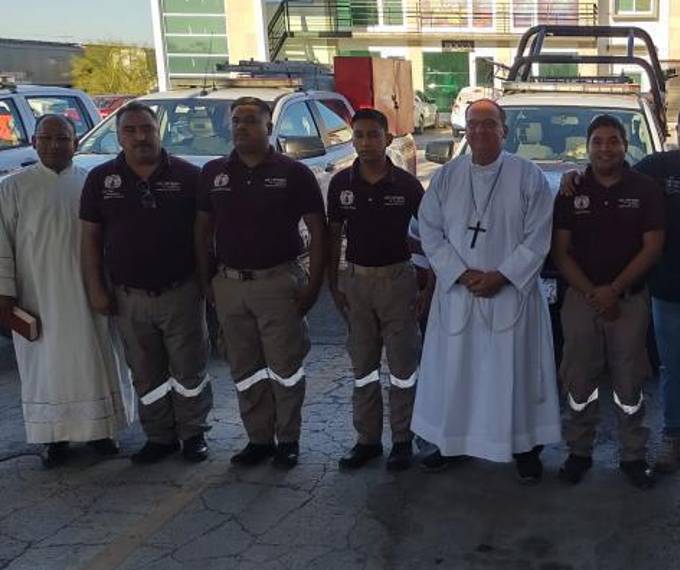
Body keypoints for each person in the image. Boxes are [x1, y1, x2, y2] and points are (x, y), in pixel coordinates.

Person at [562, 99, 680, 477]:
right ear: (676, 133)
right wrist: (577, 174)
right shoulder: (656, 168)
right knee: (671, 371)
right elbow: (610, 172)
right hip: (666, 293)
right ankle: (672, 440)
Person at [412, 98, 561, 483]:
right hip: (458, 295)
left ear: (504, 131)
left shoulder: (528, 176)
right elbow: (429, 230)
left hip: (511, 296)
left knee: (515, 372)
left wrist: (503, 275)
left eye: (489, 123)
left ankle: (525, 446)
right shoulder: (446, 177)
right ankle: (452, 441)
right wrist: (459, 273)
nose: (480, 130)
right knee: (457, 372)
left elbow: (538, 236)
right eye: (473, 123)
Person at [195, 97, 326, 470]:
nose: (242, 126)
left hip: (278, 283)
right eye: (236, 120)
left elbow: (319, 232)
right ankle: (258, 439)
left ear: (269, 128)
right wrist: (208, 283)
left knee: (285, 368)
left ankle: (288, 440)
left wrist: (313, 287)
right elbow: (201, 231)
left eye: (251, 120)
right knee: (245, 369)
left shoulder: (293, 173)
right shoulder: (214, 173)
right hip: (230, 285)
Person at [79, 102, 212, 465]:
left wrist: (206, 285)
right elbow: (90, 238)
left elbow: (205, 234)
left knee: (189, 369)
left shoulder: (189, 176)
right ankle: (159, 437)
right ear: (119, 136)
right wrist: (96, 288)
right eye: (130, 130)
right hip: (128, 297)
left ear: (159, 131)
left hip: (181, 292)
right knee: (145, 372)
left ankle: (193, 434)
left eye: (147, 129)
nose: (140, 137)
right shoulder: (101, 180)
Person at [0, 114, 134, 468]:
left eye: (63, 138)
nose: (55, 145)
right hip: (38, 297)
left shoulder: (92, 183)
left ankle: (102, 431)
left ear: (75, 143)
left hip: (90, 293)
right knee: (46, 369)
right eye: (47, 138)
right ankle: (53, 436)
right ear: (34, 142)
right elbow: (1, 246)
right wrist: (4, 297)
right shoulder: (11, 188)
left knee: (96, 360)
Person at [551, 114, 665, 489]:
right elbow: (561, 252)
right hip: (581, 299)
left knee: (629, 380)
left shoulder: (645, 189)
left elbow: (653, 248)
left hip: (629, 301)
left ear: (625, 146)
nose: (605, 148)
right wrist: (594, 294)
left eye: (613, 140)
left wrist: (613, 290)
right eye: (597, 141)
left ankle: (633, 456)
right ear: (586, 147)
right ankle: (578, 452)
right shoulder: (571, 189)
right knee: (578, 378)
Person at [327, 108, 430, 471]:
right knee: (363, 367)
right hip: (357, 283)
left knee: (403, 367)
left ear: (387, 139)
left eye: (373, 135)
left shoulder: (407, 185)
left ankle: (402, 439)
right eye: (359, 135)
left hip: (397, 281)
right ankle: (367, 440)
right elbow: (333, 236)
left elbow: (431, 235)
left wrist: (428, 287)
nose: (366, 142)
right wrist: (334, 283)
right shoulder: (341, 184)